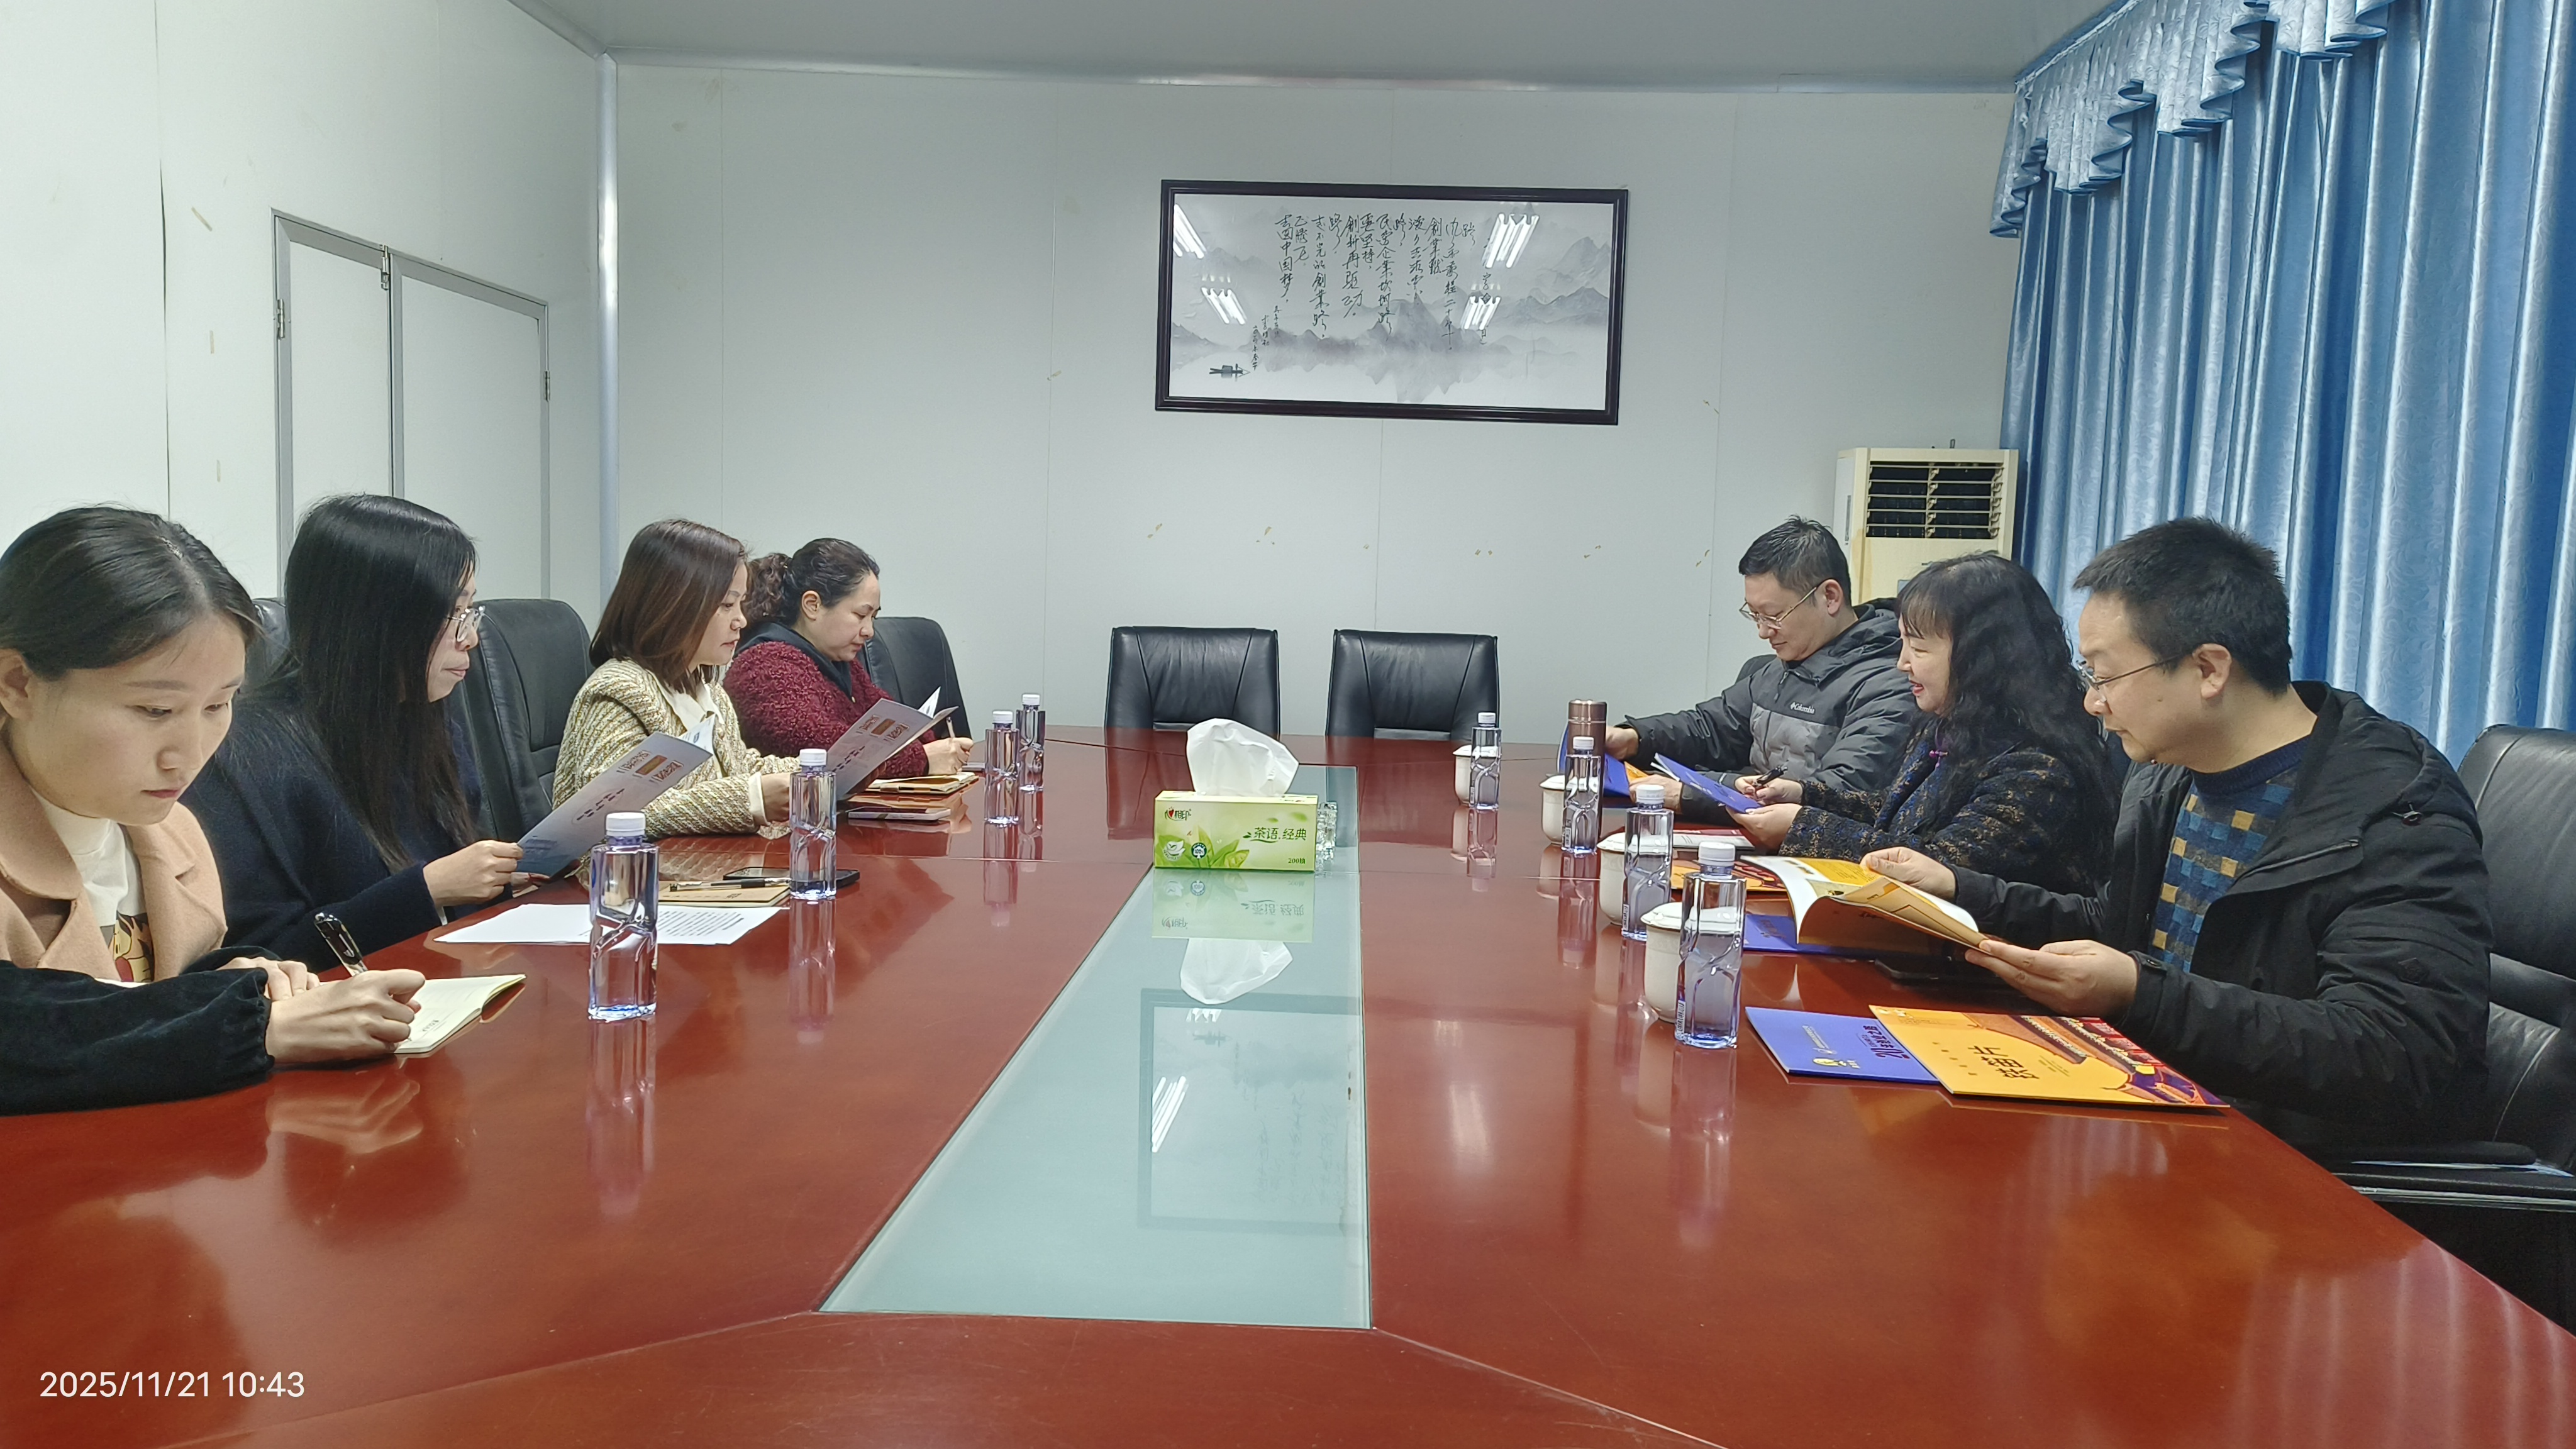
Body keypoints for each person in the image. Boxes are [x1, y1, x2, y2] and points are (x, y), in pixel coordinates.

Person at [1865, 519, 2490, 1152]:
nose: (2092, 703)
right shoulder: (2168, 773)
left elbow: (2391, 1052)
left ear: (2209, 669)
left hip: (2283, 1158)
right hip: (2148, 1107)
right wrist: (1957, 889)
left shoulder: (2391, 814)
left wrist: (2141, 995)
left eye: (2105, 677)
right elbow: (2116, 924)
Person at [0, 506, 421, 1116]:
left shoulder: (173, 832)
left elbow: (140, 994)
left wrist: (233, 977)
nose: (190, 754)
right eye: (155, 711)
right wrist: (246, 1025)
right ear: (18, 683)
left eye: (219, 706)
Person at [189, 496, 526, 961]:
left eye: (472, 611)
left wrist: (499, 881)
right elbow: (261, 957)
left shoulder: (428, 718)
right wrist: (426, 889)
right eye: (453, 614)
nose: (470, 638)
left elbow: (461, 863)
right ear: (377, 621)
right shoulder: (245, 753)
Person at [1726, 552, 2116, 894]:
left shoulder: (2038, 768)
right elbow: (1897, 814)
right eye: (1903, 643)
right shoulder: (1955, 724)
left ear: (1981, 659)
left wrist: (1802, 826)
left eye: (1919, 647)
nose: (1902, 663)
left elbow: (1935, 865)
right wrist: (1802, 796)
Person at [1608, 518, 1916, 810]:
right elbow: (1712, 728)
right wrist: (1635, 739)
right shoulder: (1780, 668)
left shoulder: (1890, 685)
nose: (1763, 632)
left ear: (1830, 597)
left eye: (1774, 616)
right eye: (1755, 615)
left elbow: (1840, 793)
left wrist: (1692, 795)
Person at [555, 519, 797, 837]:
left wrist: (821, 771)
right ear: (674, 605)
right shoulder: (618, 692)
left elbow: (739, 767)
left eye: (740, 604)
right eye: (727, 604)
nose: (740, 620)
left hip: (704, 863)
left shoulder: (707, 691)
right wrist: (752, 799)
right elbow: (608, 811)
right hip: (638, 869)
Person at [723, 538, 974, 778]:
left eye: (873, 618)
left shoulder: (838, 660)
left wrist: (941, 748)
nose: (869, 631)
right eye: (860, 615)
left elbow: (892, 720)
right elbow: (824, 748)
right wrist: (923, 759)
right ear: (812, 605)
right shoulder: (763, 667)